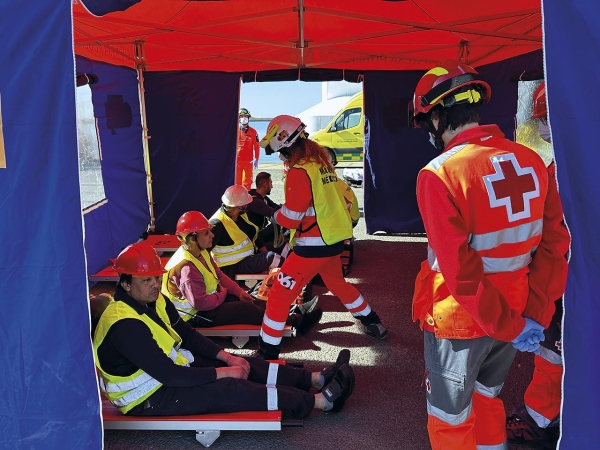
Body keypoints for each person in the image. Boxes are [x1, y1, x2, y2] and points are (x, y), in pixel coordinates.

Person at [410, 63, 570, 450]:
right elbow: (554, 248)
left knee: (450, 419)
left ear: (436, 115)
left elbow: (459, 274)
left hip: (461, 319)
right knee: (486, 399)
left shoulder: (438, 174)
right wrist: (533, 314)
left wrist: (511, 324)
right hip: (516, 311)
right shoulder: (533, 163)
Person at [93, 242, 356, 419]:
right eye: (145, 280)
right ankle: (321, 402)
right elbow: (170, 376)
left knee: (246, 362)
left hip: (168, 372)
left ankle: (314, 380)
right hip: (147, 398)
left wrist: (227, 357)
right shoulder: (124, 325)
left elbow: (186, 335)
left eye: (156, 278)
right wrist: (222, 372)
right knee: (232, 388)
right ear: (125, 284)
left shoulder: (151, 299)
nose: (154, 285)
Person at [254, 115, 388, 360]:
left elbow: (293, 217)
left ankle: (266, 353)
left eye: (279, 152)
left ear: (285, 143)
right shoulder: (321, 165)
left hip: (311, 247)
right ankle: (373, 322)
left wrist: (275, 217)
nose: (280, 158)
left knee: (278, 297)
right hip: (333, 242)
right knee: (338, 285)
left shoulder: (298, 172)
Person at [506, 81, 565, 449]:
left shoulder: (562, 173)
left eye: (545, 119)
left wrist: (538, 304)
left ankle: (541, 421)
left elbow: (552, 243)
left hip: (568, 284)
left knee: (551, 351)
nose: (543, 128)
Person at [161, 211, 322, 332]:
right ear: (192, 238)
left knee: (249, 300)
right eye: (206, 233)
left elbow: (219, 275)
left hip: (209, 303)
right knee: (246, 310)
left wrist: (238, 292)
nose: (212, 235)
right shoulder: (186, 268)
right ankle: (296, 321)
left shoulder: (200, 251)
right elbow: (200, 304)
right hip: (194, 317)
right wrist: (223, 295)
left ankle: (291, 311)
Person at [209, 185, 284, 280]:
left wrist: (264, 253)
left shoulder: (241, 215)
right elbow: (203, 253)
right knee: (271, 258)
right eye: (245, 204)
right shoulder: (217, 224)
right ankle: (290, 281)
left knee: (280, 248)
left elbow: (255, 236)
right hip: (230, 268)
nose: (247, 205)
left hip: (248, 257)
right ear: (238, 206)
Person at [247, 171, 283, 250]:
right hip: (254, 237)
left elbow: (276, 207)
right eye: (271, 183)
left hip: (258, 234)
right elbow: (274, 213)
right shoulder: (255, 201)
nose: (272, 186)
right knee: (280, 224)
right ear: (265, 185)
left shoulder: (262, 198)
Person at [236, 108, 260, 191]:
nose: (244, 118)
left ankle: (246, 199)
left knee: (247, 182)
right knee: (237, 182)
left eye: (246, 116)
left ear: (248, 118)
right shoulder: (235, 131)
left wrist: (256, 158)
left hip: (248, 161)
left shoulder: (253, 132)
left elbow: (257, 146)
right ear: (238, 118)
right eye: (242, 116)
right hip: (237, 161)